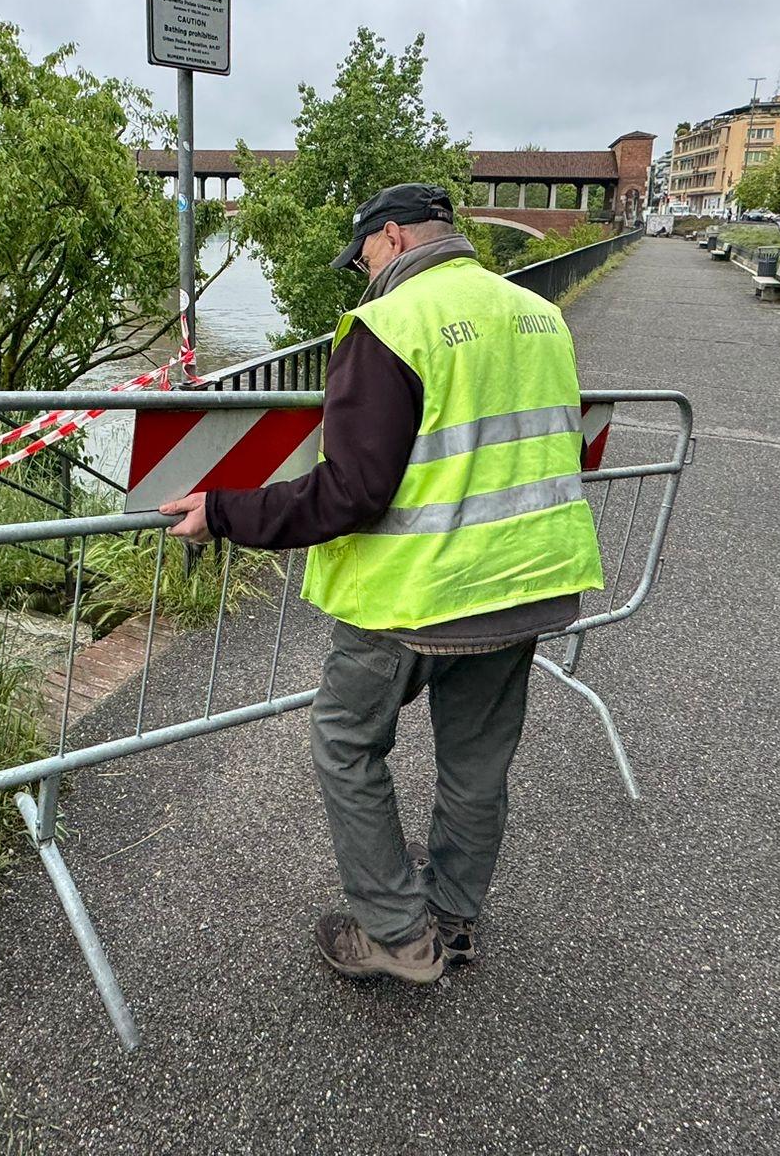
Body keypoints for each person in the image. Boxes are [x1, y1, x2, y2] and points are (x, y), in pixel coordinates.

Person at [163, 182, 602, 985]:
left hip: (420, 596)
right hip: (530, 579)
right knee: (476, 766)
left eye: (363, 255)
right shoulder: (540, 316)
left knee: (345, 743)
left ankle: (397, 935)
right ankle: (454, 921)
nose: (362, 272)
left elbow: (352, 491)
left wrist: (223, 511)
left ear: (392, 238)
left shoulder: (392, 324)